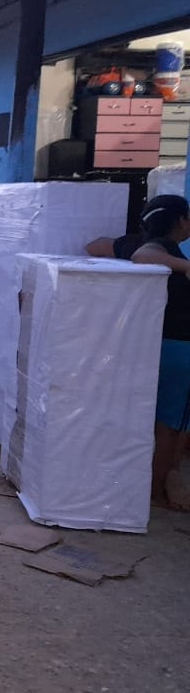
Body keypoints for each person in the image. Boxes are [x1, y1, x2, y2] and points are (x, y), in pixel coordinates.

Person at [130, 195, 190, 510]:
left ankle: (158, 484)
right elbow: (143, 256)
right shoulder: (157, 248)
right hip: (178, 348)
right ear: (181, 220)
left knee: (167, 424)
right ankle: (153, 491)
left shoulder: (163, 249)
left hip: (163, 345)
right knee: (169, 424)